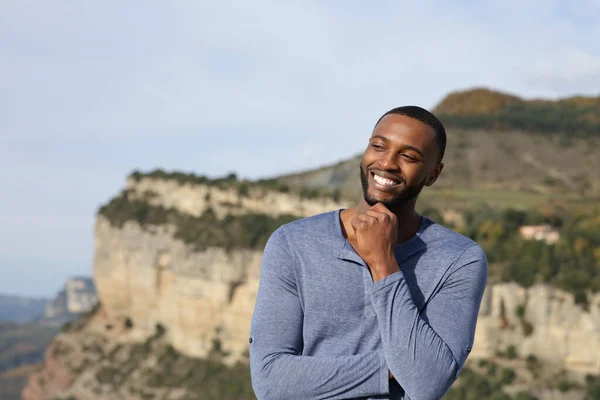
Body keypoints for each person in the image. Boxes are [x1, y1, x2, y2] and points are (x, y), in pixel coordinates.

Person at [249, 106, 488, 400]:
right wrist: (391, 369)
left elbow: (427, 383)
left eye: (409, 156)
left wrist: (383, 262)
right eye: (378, 146)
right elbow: (270, 381)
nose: (387, 163)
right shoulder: (292, 242)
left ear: (433, 175)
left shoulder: (459, 259)